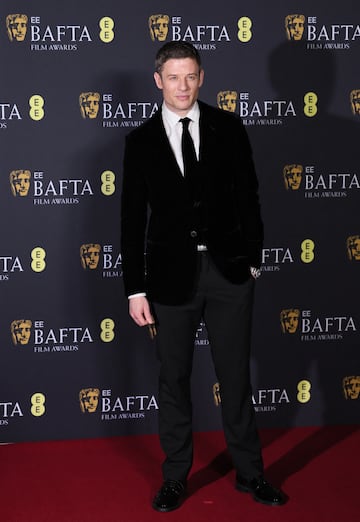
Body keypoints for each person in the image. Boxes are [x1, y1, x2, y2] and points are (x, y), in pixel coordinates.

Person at [120, 41, 286, 512]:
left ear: (202, 77)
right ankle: (175, 477)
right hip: (170, 280)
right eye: (173, 77)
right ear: (158, 81)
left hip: (230, 274)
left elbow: (249, 197)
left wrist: (252, 260)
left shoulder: (229, 128)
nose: (182, 86)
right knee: (173, 378)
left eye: (190, 76)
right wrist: (135, 287)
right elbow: (131, 221)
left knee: (235, 377)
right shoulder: (140, 142)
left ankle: (251, 474)